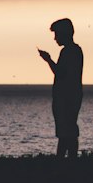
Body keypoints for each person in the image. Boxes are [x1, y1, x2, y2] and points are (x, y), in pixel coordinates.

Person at [37, 18, 84, 158]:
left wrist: (48, 60)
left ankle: (66, 161)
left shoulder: (70, 51)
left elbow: (61, 73)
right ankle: (66, 160)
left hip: (67, 97)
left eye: (57, 34)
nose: (55, 38)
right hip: (70, 96)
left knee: (66, 131)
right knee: (66, 131)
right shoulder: (73, 50)